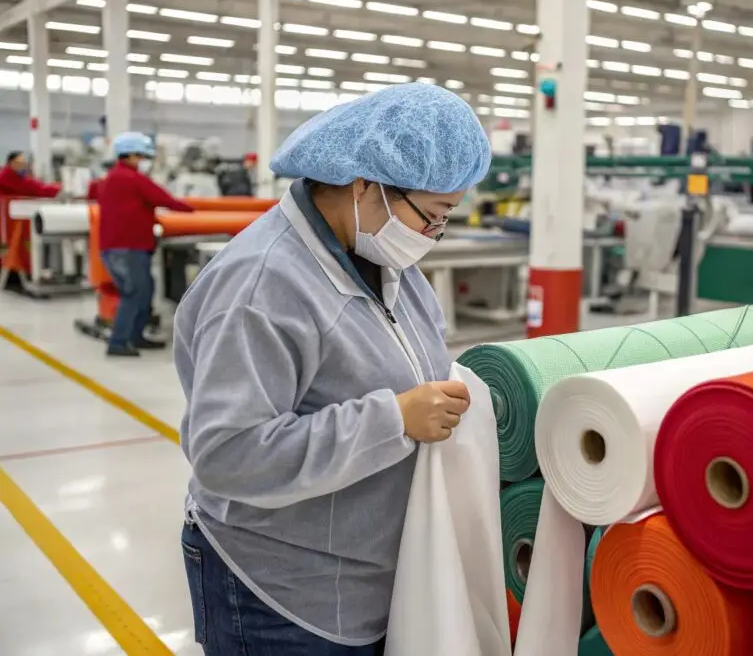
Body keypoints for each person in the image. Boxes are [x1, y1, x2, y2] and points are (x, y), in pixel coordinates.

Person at [173, 82, 492, 655]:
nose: (433, 235)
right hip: (280, 590)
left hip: (366, 574)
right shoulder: (262, 285)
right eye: (433, 215)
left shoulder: (387, 264)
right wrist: (393, 419)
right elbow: (228, 453)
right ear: (364, 185)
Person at [97, 132, 194, 357]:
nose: (143, 162)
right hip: (128, 247)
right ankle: (118, 343)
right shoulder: (131, 178)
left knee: (144, 291)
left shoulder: (112, 177)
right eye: (141, 157)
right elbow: (163, 199)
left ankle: (135, 336)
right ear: (129, 155)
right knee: (134, 293)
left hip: (121, 246)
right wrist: (194, 212)